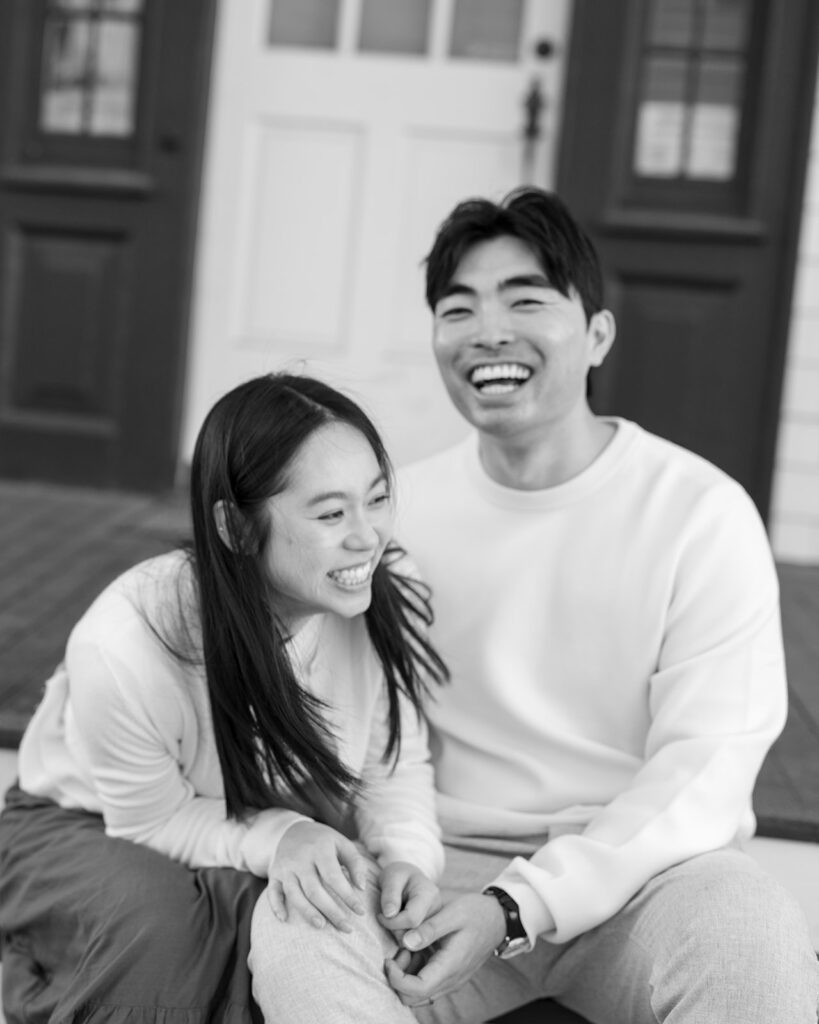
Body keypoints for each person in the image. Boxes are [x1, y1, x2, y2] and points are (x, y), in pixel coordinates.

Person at [260, 188, 819, 1023]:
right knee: (297, 933)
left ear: (596, 334)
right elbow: (358, 731)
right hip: (432, 869)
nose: (488, 330)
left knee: (752, 933)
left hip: (641, 875)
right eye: (459, 308)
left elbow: (703, 771)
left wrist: (517, 906)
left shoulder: (698, 512)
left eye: (525, 299)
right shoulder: (391, 517)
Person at [0, 373, 449, 1024]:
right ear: (235, 527)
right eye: (330, 513)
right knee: (170, 935)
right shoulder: (126, 642)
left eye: (376, 500)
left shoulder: (383, 583)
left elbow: (391, 765)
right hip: (91, 819)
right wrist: (284, 836)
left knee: (305, 915)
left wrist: (407, 853)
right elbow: (150, 821)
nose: (366, 537)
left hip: (267, 814)